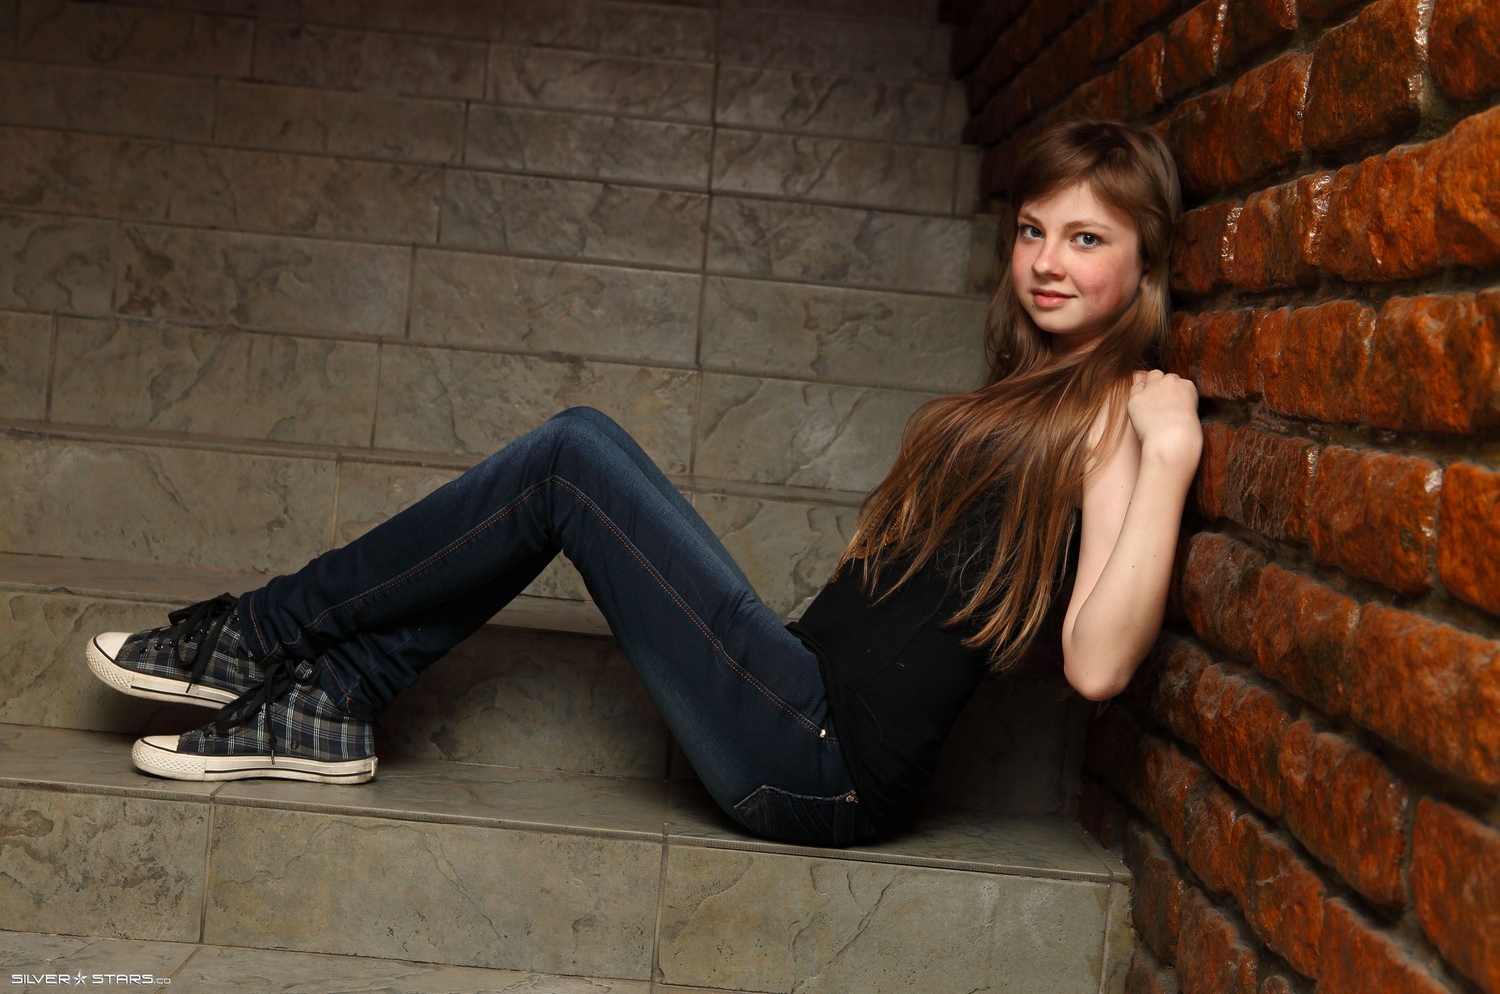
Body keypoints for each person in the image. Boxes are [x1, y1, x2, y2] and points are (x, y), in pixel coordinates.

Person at [84, 118, 1201, 846]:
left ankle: (263, 638)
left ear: (1144, 264)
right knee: (571, 459)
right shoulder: (1031, 395)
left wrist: (1170, 457)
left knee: (574, 454)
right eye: (1034, 230)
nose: (1046, 261)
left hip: (820, 762)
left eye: (1087, 239)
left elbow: (1097, 664)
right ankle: (328, 702)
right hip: (799, 697)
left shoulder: (1118, 419)